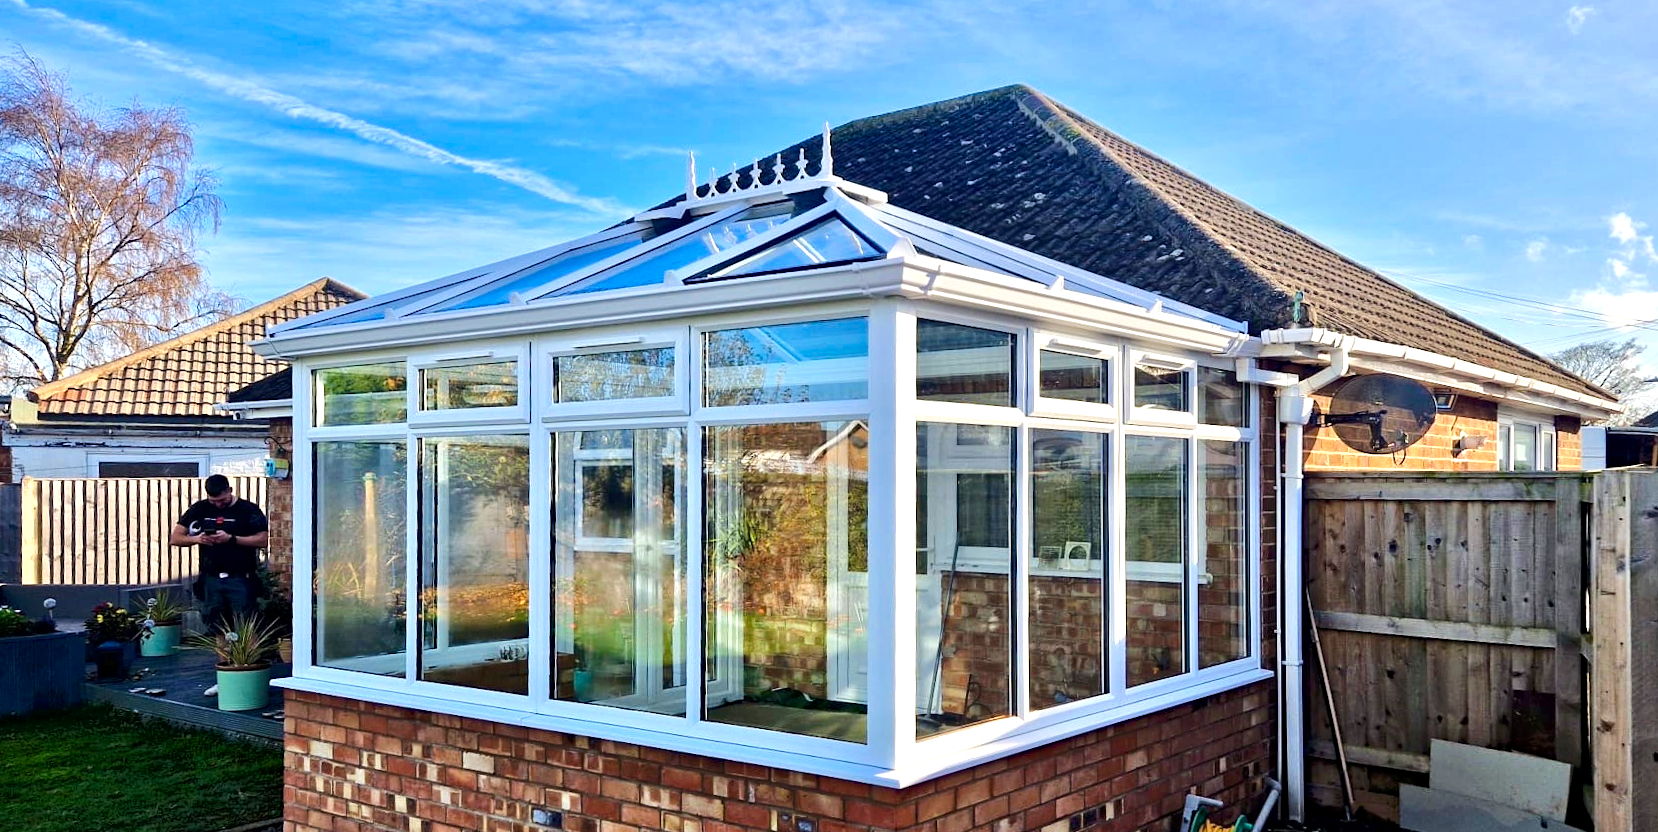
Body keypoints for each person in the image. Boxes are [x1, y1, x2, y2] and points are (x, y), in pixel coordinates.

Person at [170, 474, 269, 695]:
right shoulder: (200, 509)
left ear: (229, 490)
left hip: (241, 577)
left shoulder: (248, 510)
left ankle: (249, 674)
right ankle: (226, 677)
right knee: (218, 627)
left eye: (222, 500)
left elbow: (263, 539)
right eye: (214, 501)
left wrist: (232, 539)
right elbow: (175, 537)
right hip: (212, 578)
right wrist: (198, 539)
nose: (218, 505)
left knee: (247, 626)